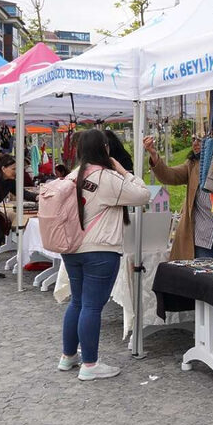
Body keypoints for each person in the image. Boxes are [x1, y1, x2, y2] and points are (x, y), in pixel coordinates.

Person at [58, 129, 152, 381]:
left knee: (76, 302)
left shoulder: (73, 175)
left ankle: (68, 356)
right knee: (91, 305)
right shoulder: (107, 178)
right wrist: (125, 172)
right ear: (105, 149)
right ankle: (90, 364)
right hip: (99, 249)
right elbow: (143, 195)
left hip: (72, 248)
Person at [144, 130, 213, 321]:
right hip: (204, 236)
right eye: (193, 140)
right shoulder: (193, 166)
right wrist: (155, 156)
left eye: (200, 139)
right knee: (209, 285)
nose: (195, 143)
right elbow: (169, 176)